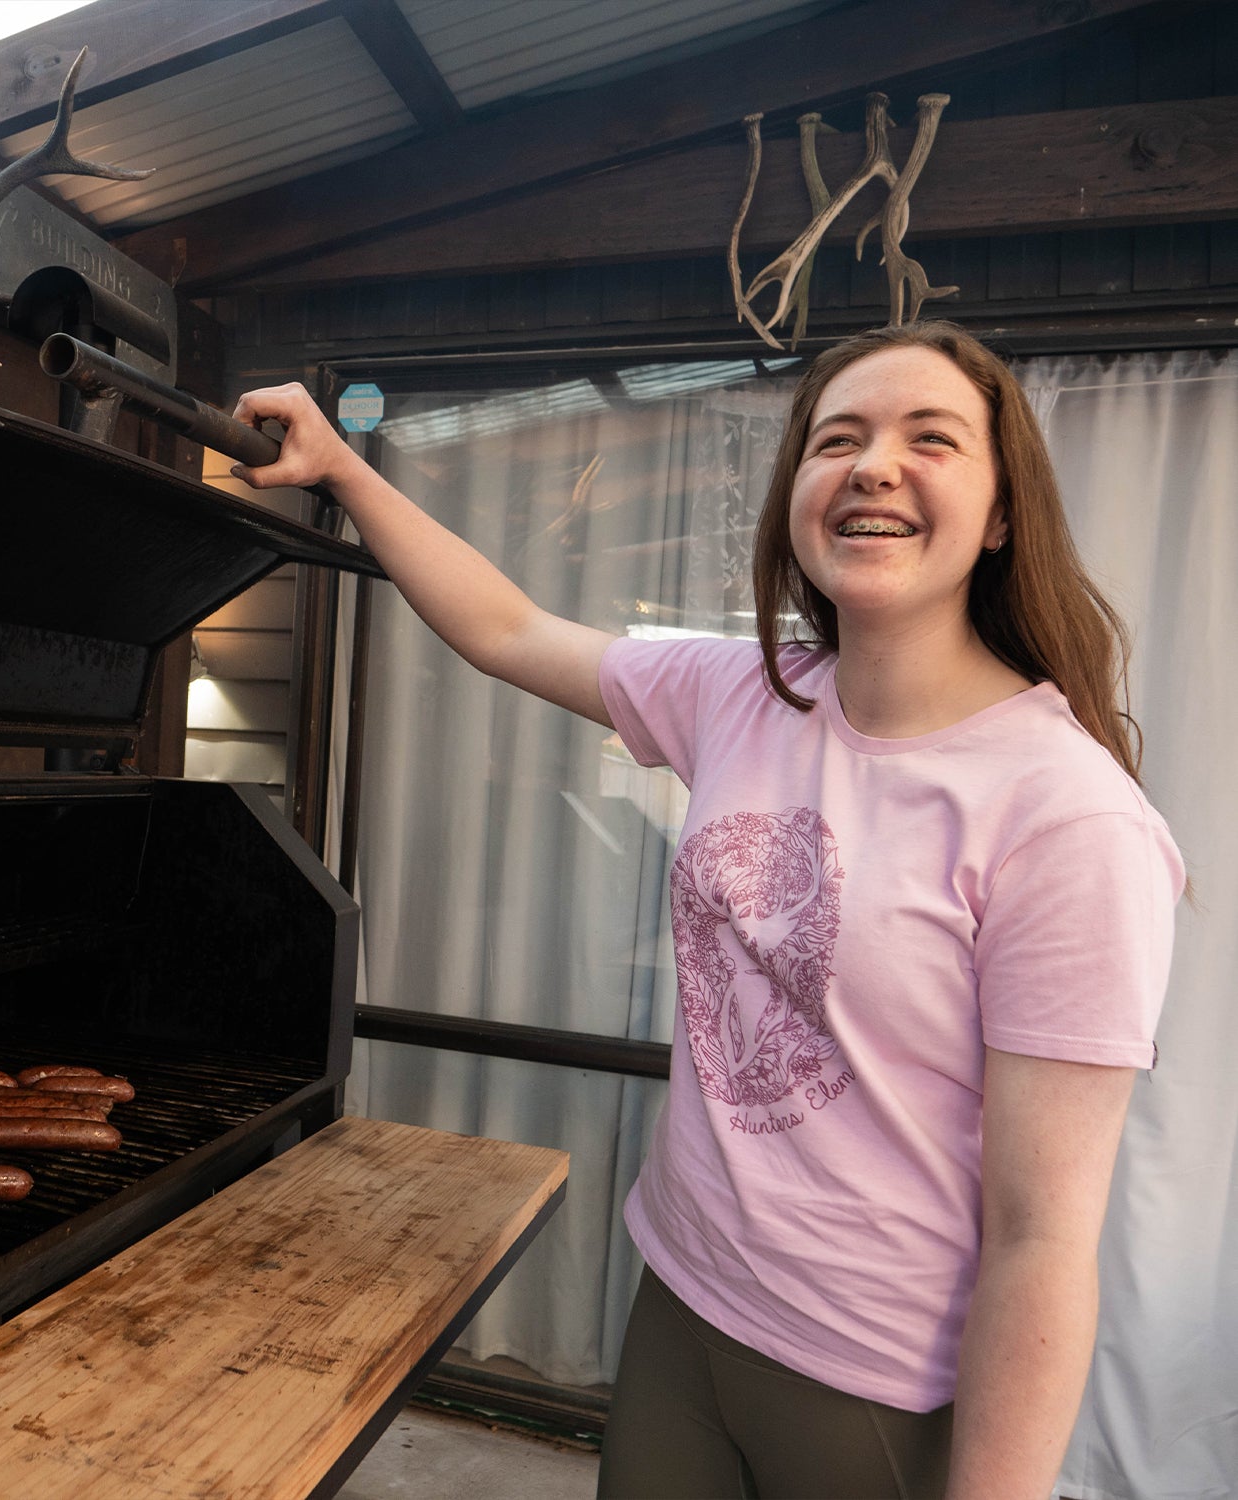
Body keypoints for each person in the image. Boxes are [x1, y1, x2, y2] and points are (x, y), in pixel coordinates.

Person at [231, 321, 1184, 1500]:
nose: (874, 465)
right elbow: (509, 630)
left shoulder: (1067, 817)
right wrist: (344, 468)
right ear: (797, 499)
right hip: (683, 1303)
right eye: (838, 440)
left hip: (871, 1388)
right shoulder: (746, 692)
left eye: (930, 439)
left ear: (1000, 515)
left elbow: (1044, 1238)